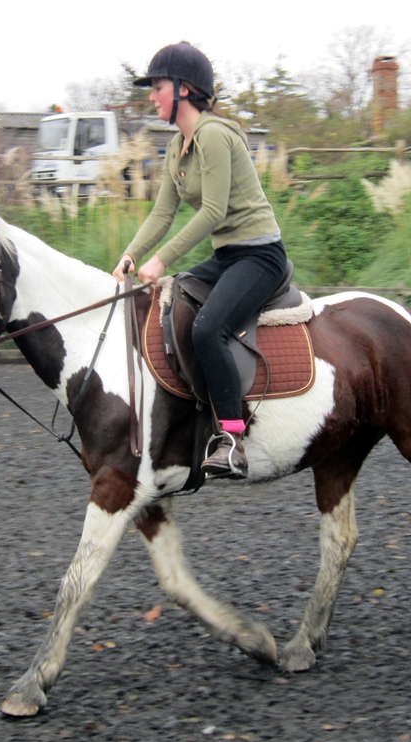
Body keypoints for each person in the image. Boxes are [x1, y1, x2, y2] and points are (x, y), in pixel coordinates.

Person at [112, 41, 287, 479]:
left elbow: (213, 211)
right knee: (174, 303)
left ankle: (231, 439)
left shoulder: (213, 135)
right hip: (227, 257)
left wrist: (161, 259)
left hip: (260, 255)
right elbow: (162, 213)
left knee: (209, 327)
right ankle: (194, 414)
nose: (152, 97)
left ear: (184, 89)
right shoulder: (177, 146)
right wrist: (132, 254)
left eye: (158, 87)